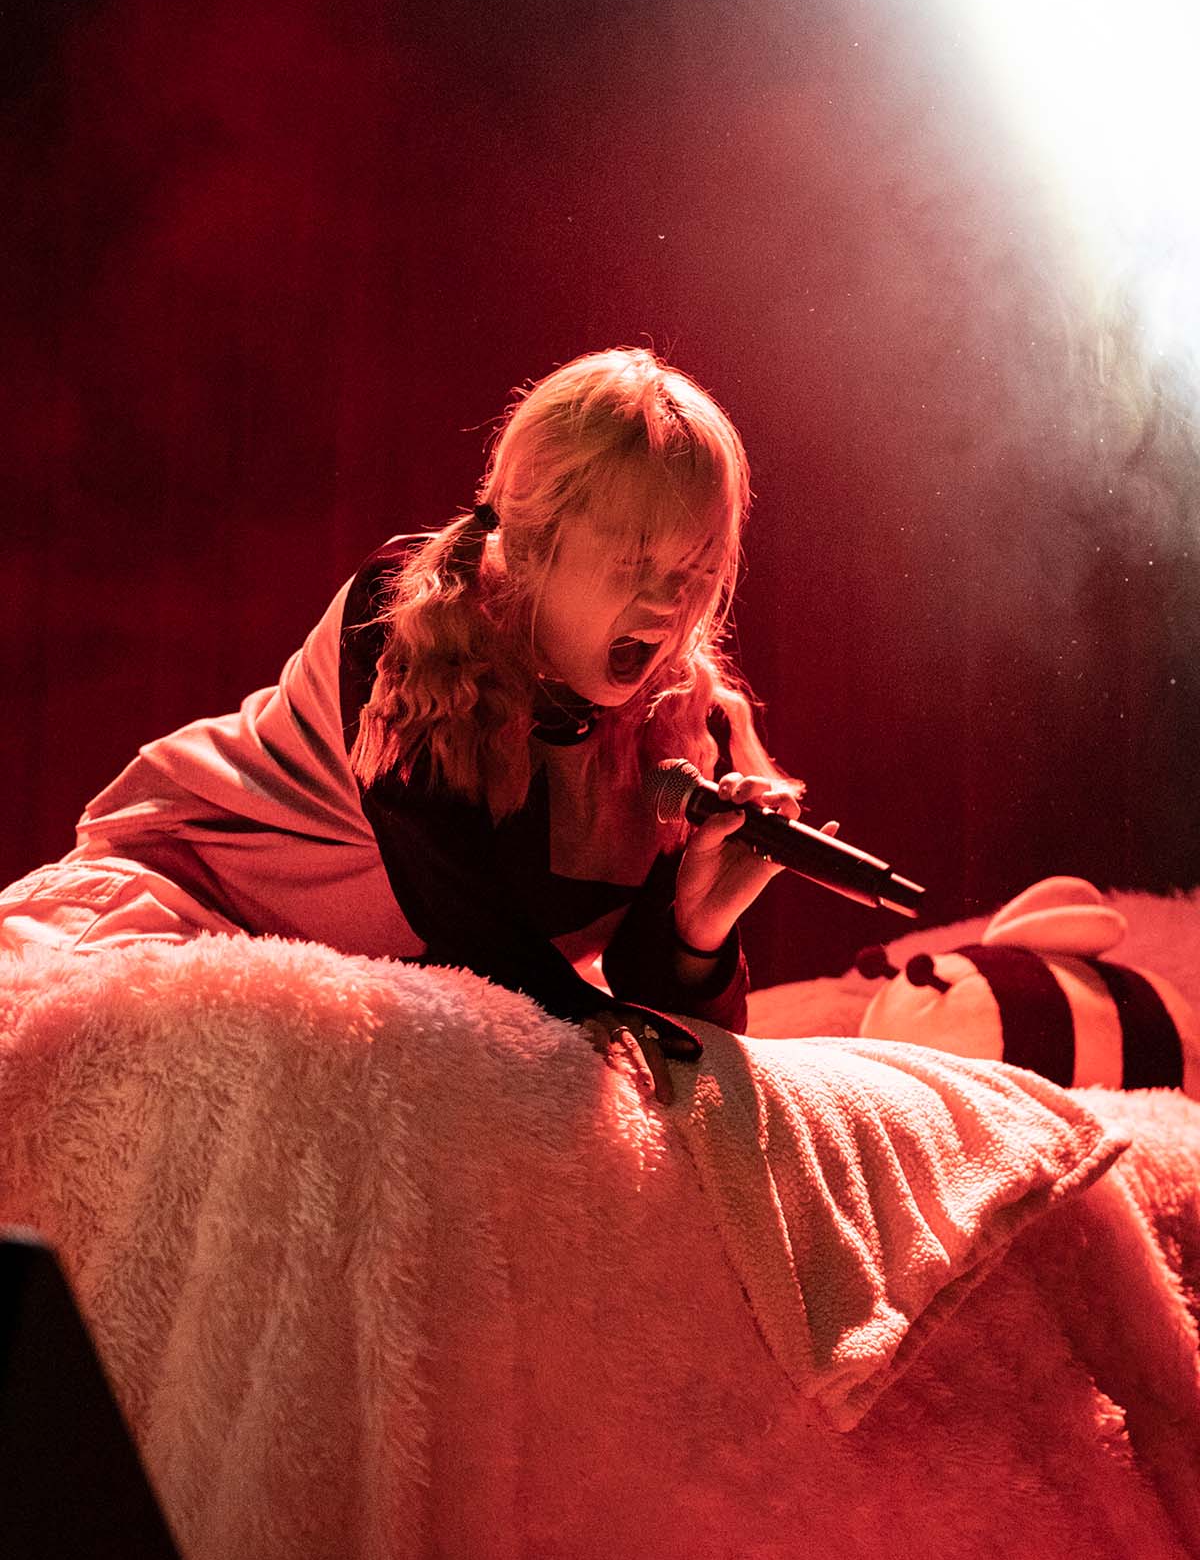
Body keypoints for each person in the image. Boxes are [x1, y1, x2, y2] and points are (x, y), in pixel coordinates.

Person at [0, 348, 809, 1102]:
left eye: (695, 570)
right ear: (532, 544)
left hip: (382, 985)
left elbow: (666, 1034)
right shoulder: (404, 614)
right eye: (636, 563)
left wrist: (698, 928)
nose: (670, 603)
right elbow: (458, 911)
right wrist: (590, 1014)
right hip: (184, 907)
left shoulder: (674, 711)